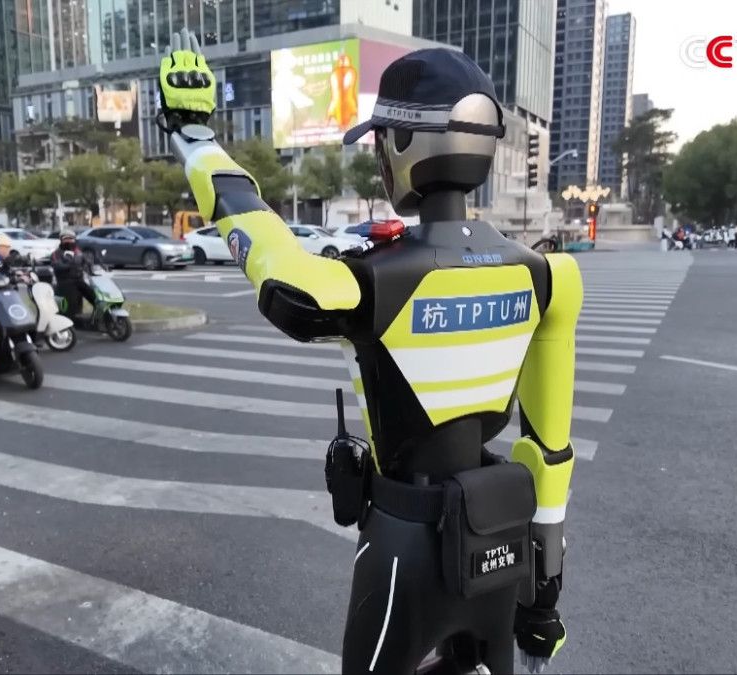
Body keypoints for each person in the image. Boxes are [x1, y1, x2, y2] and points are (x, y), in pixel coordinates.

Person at [159, 32, 577, 674]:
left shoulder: (376, 278)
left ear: (404, 144)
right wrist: (542, 600)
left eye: (382, 141)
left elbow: (277, 268)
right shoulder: (549, 276)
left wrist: (196, 140)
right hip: (501, 536)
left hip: (404, 544)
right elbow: (549, 452)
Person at [50, 230, 96, 319]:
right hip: (65, 282)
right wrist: (70, 263)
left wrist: (93, 265)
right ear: (61, 240)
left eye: (71, 238)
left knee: (94, 296)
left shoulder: (78, 252)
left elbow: (86, 263)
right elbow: (58, 266)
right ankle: (73, 318)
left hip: (79, 280)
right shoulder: (56, 254)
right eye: (66, 239)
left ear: (74, 240)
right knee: (72, 302)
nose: (68, 241)